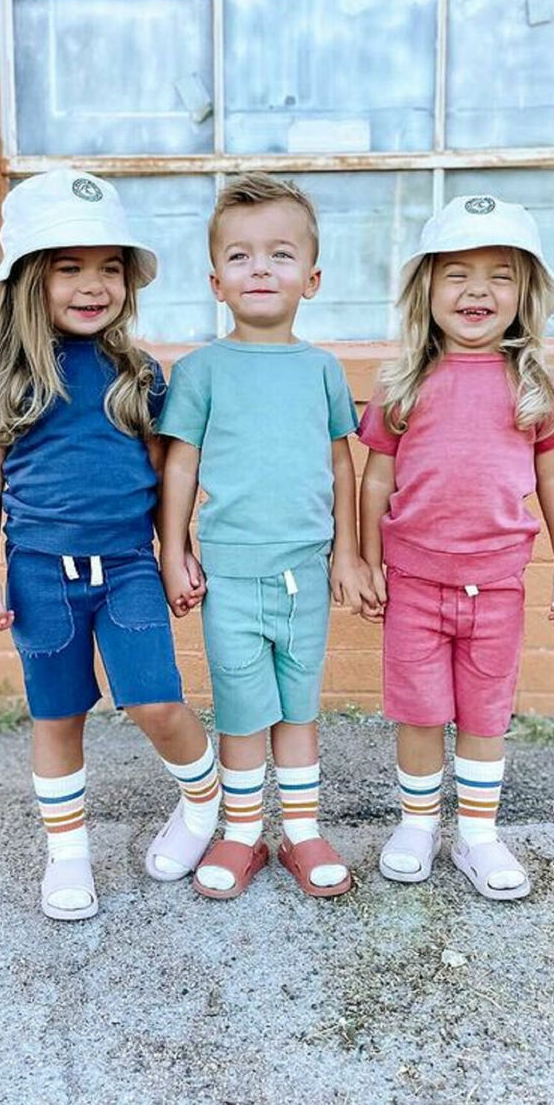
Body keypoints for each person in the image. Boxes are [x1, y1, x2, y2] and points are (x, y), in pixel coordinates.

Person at [0, 168, 221, 922]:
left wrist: (178, 551)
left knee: (156, 701)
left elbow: (167, 477)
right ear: (31, 279)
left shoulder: (137, 373)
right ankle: (67, 857)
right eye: (69, 267)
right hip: (38, 574)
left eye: (109, 268)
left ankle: (205, 807)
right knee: (57, 716)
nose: (92, 285)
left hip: (129, 566)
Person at [358, 194, 554, 900]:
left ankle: (478, 836)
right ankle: (418, 824)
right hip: (414, 585)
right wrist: (364, 559)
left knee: (485, 713)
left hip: (499, 585)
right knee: (420, 710)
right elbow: (376, 478)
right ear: (425, 289)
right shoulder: (403, 382)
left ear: (526, 293)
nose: (477, 291)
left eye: (499, 275)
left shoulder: (535, 384)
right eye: (455, 273)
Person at [158, 174, 373, 900]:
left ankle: (302, 832)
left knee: (299, 705)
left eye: (279, 255)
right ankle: (243, 833)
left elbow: (341, 462)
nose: (260, 270)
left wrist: (347, 552)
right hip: (229, 574)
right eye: (241, 257)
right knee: (244, 707)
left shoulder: (320, 369)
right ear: (216, 280)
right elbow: (179, 465)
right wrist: (172, 548)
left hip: (304, 571)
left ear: (310, 278)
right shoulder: (200, 371)